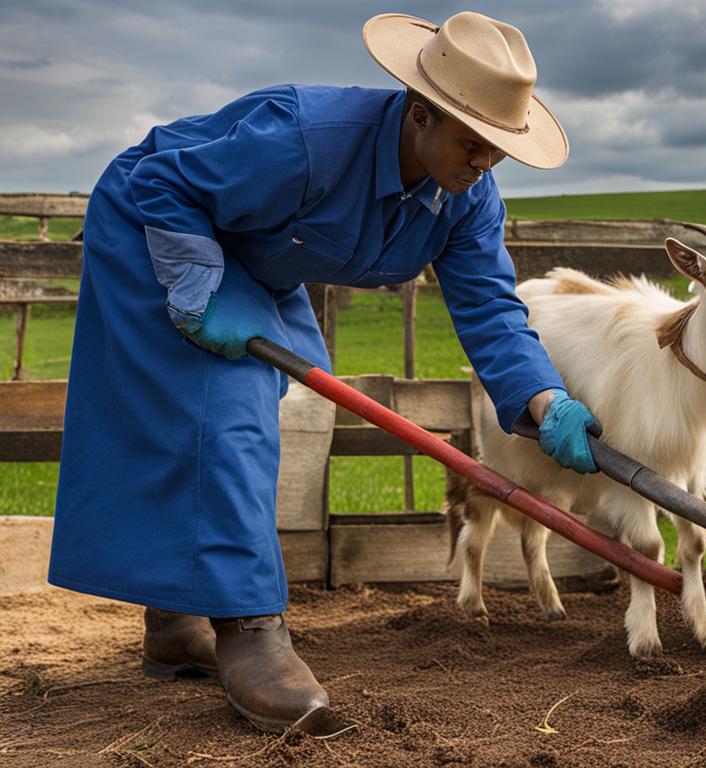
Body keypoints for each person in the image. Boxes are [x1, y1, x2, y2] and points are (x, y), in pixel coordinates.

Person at [48, 11, 599, 732]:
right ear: (421, 114)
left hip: (259, 253)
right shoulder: (305, 140)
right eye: (472, 143)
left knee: (256, 405)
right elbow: (160, 180)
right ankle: (250, 627)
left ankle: (175, 623)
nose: (483, 164)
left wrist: (545, 400)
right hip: (159, 222)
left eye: (498, 149)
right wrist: (199, 280)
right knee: (232, 415)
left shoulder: (467, 199)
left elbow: (490, 307)